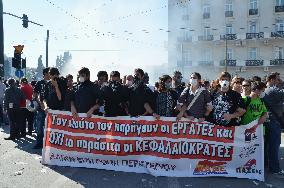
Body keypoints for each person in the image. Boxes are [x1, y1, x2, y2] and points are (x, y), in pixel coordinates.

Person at [263, 73, 284, 175]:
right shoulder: (271, 90)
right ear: (271, 80)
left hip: (270, 121)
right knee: (274, 146)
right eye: (277, 79)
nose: (278, 81)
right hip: (273, 121)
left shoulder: (268, 90)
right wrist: (282, 83)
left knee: (268, 145)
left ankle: (267, 164)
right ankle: (275, 168)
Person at [33, 67, 50, 149]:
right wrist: (40, 103)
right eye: (49, 73)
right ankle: (39, 143)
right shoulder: (39, 83)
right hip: (41, 109)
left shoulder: (52, 82)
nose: (50, 74)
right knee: (39, 126)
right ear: (45, 74)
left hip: (51, 109)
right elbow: (35, 95)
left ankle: (50, 144)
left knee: (50, 127)